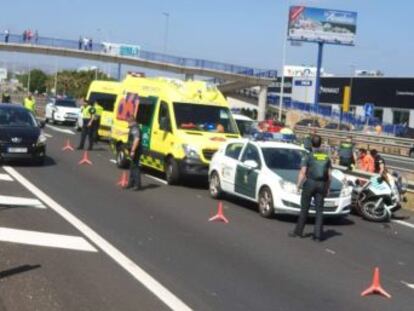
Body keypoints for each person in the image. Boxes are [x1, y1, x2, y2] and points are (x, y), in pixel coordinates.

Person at [290, 135, 332, 241]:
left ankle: (298, 232)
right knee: (319, 211)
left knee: (304, 209)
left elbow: (303, 172)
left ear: (311, 144)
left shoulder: (308, 156)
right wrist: (327, 188)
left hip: (310, 183)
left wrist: (298, 185)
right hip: (322, 184)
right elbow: (329, 176)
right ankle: (317, 236)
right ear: (321, 144)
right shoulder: (326, 157)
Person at [125, 115, 142, 191]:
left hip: (136, 150)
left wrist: (132, 151)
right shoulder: (134, 127)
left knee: (135, 167)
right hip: (134, 149)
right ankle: (131, 183)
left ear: (131, 121)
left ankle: (137, 185)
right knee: (132, 166)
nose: (127, 124)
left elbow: (137, 139)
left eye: (128, 122)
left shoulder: (135, 128)